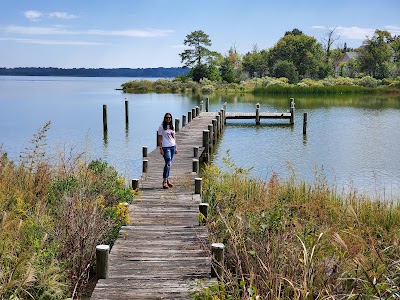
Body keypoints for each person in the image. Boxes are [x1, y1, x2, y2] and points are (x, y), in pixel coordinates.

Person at [158, 112, 178, 189]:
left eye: (169, 118)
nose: (168, 119)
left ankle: (167, 179)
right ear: (164, 118)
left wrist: (176, 147)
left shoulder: (172, 126)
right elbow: (159, 138)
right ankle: (164, 181)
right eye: (167, 117)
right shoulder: (161, 127)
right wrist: (160, 148)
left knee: (169, 163)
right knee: (168, 162)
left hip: (172, 146)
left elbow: (174, 137)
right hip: (165, 147)